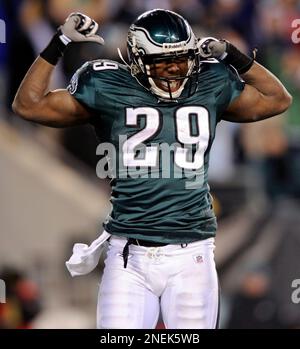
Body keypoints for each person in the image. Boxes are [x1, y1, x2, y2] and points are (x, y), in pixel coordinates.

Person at [12, 9, 292, 329]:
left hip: (192, 254)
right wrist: (59, 42)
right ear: (137, 60)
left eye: (181, 59)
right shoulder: (107, 84)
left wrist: (234, 55)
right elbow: (28, 105)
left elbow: (277, 100)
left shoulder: (209, 81)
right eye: (163, 61)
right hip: (129, 253)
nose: (174, 69)